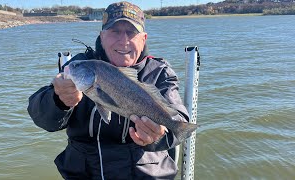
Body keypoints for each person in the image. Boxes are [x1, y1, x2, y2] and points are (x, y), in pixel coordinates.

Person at [28, 1, 190, 179]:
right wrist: (58, 101)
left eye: (131, 32)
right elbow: (43, 118)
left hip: (144, 173)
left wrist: (160, 136)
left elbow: (178, 121)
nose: (124, 40)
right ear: (102, 36)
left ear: (143, 39)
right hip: (85, 173)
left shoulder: (159, 71)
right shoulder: (81, 66)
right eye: (115, 31)